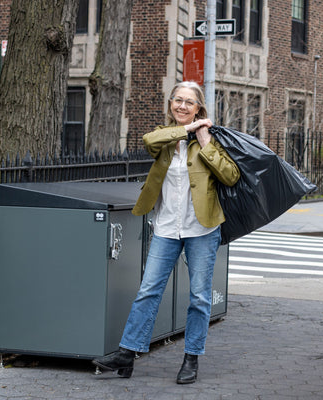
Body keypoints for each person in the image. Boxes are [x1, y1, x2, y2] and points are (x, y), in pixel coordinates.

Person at [92, 81, 240, 384]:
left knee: (199, 296)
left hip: (202, 228)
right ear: (171, 103)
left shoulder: (211, 141)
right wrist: (187, 130)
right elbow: (149, 140)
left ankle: (191, 358)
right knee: (148, 290)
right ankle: (126, 353)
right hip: (166, 227)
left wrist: (204, 139)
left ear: (199, 107)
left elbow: (230, 175)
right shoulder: (163, 137)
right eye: (178, 100)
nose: (182, 106)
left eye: (189, 102)